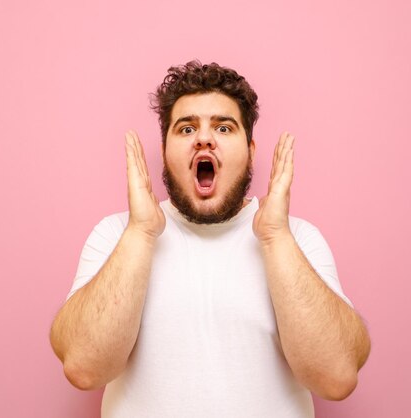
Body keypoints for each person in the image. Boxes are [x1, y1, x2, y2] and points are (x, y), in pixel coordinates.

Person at [50, 61, 371, 417]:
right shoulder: (115, 236)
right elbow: (83, 368)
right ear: (165, 151)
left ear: (250, 150)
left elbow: (337, 378)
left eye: (223, 127)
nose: (204, 138)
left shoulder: (298, 239)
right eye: (186, 129)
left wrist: (275, 237)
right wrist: (141, 233)